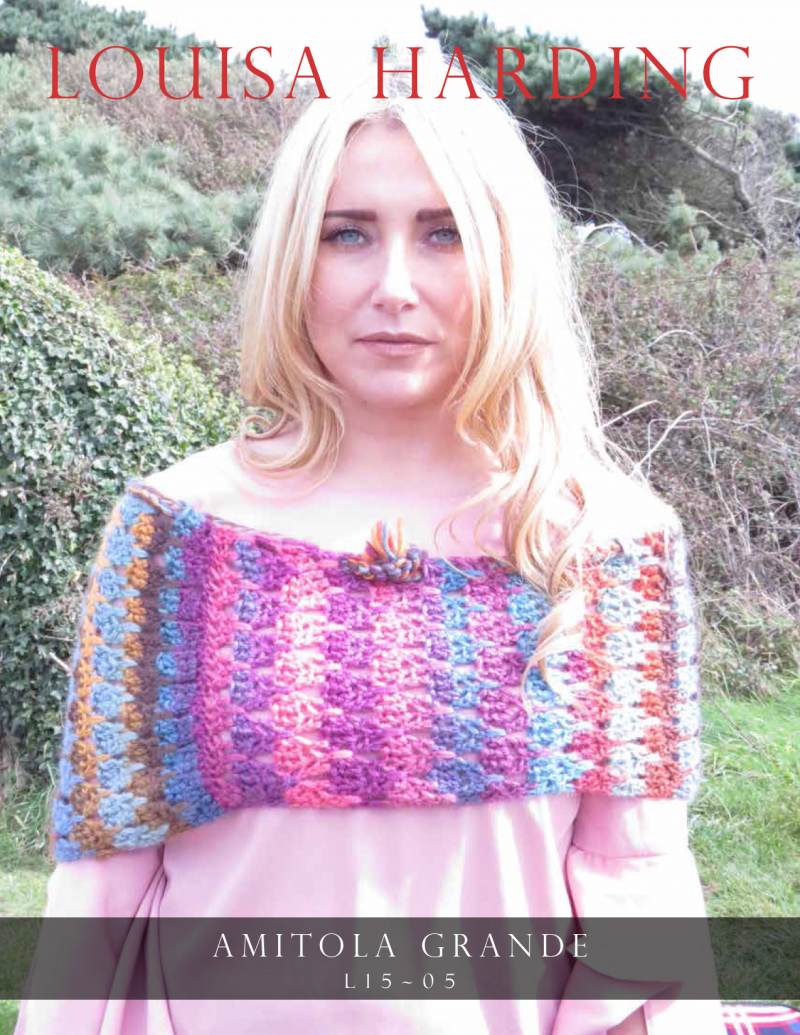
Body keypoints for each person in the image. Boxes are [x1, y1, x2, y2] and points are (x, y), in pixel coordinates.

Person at [15, 53, 726, 1035]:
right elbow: (97, 900)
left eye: (443, 233)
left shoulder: (609, 543)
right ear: (291, 259)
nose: (393, 285)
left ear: (507, 254)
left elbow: (639, 901)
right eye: (346, 233)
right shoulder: (175, 533)